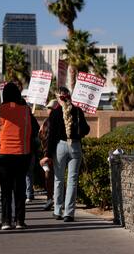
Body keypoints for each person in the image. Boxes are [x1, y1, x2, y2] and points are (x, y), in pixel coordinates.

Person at [0, 82, 39, 230]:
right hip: (22, 154)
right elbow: (35, 129)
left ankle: (6, 221)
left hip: (3, 154)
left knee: (6, 190)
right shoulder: (25, 110)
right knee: (20, 188)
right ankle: (19, 221)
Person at [45, 87, 90, 222]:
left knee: (58, 179)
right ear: (69, 96)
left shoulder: (54, 113)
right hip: (75, 145)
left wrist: (47, 153)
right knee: (72, 181)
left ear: (59, 98)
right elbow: (85, 130)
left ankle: (58, 210)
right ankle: (69, 213)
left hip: (60, 146)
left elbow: (51, 136)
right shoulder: (77, 111)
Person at [38, 99, 58, 211]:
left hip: (52, 154)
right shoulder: (46, 121)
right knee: (48, 176)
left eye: (50, 108)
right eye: (48, 108)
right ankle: (50, 198)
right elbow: (42, 138)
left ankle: (55, 199)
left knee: (54, 177)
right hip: (47, 153)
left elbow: (51, 138)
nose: (48, 110)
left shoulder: (55, 121)